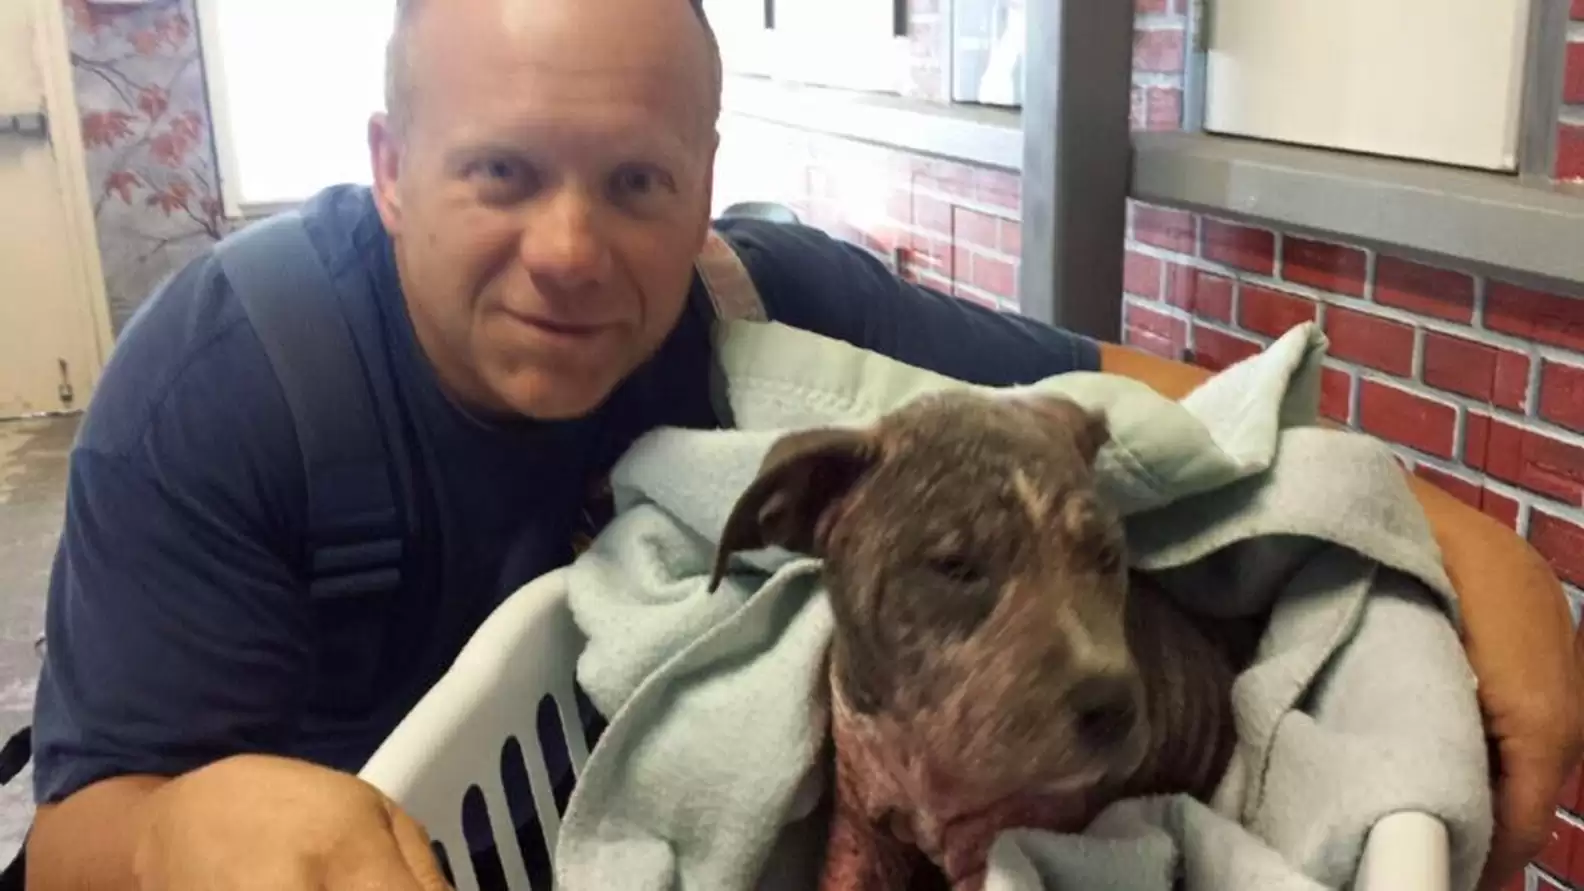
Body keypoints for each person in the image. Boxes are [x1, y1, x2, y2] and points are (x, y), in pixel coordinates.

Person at [21, 0, 1581, 888]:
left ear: (703, 181)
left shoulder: (776, 299)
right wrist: (176, 832)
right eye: (501, 170)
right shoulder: (226, 385)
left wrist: (1476, 543)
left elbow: (1168, 411)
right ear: (387, 169)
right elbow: (81, 837)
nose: (569, 250)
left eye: (634, 183)